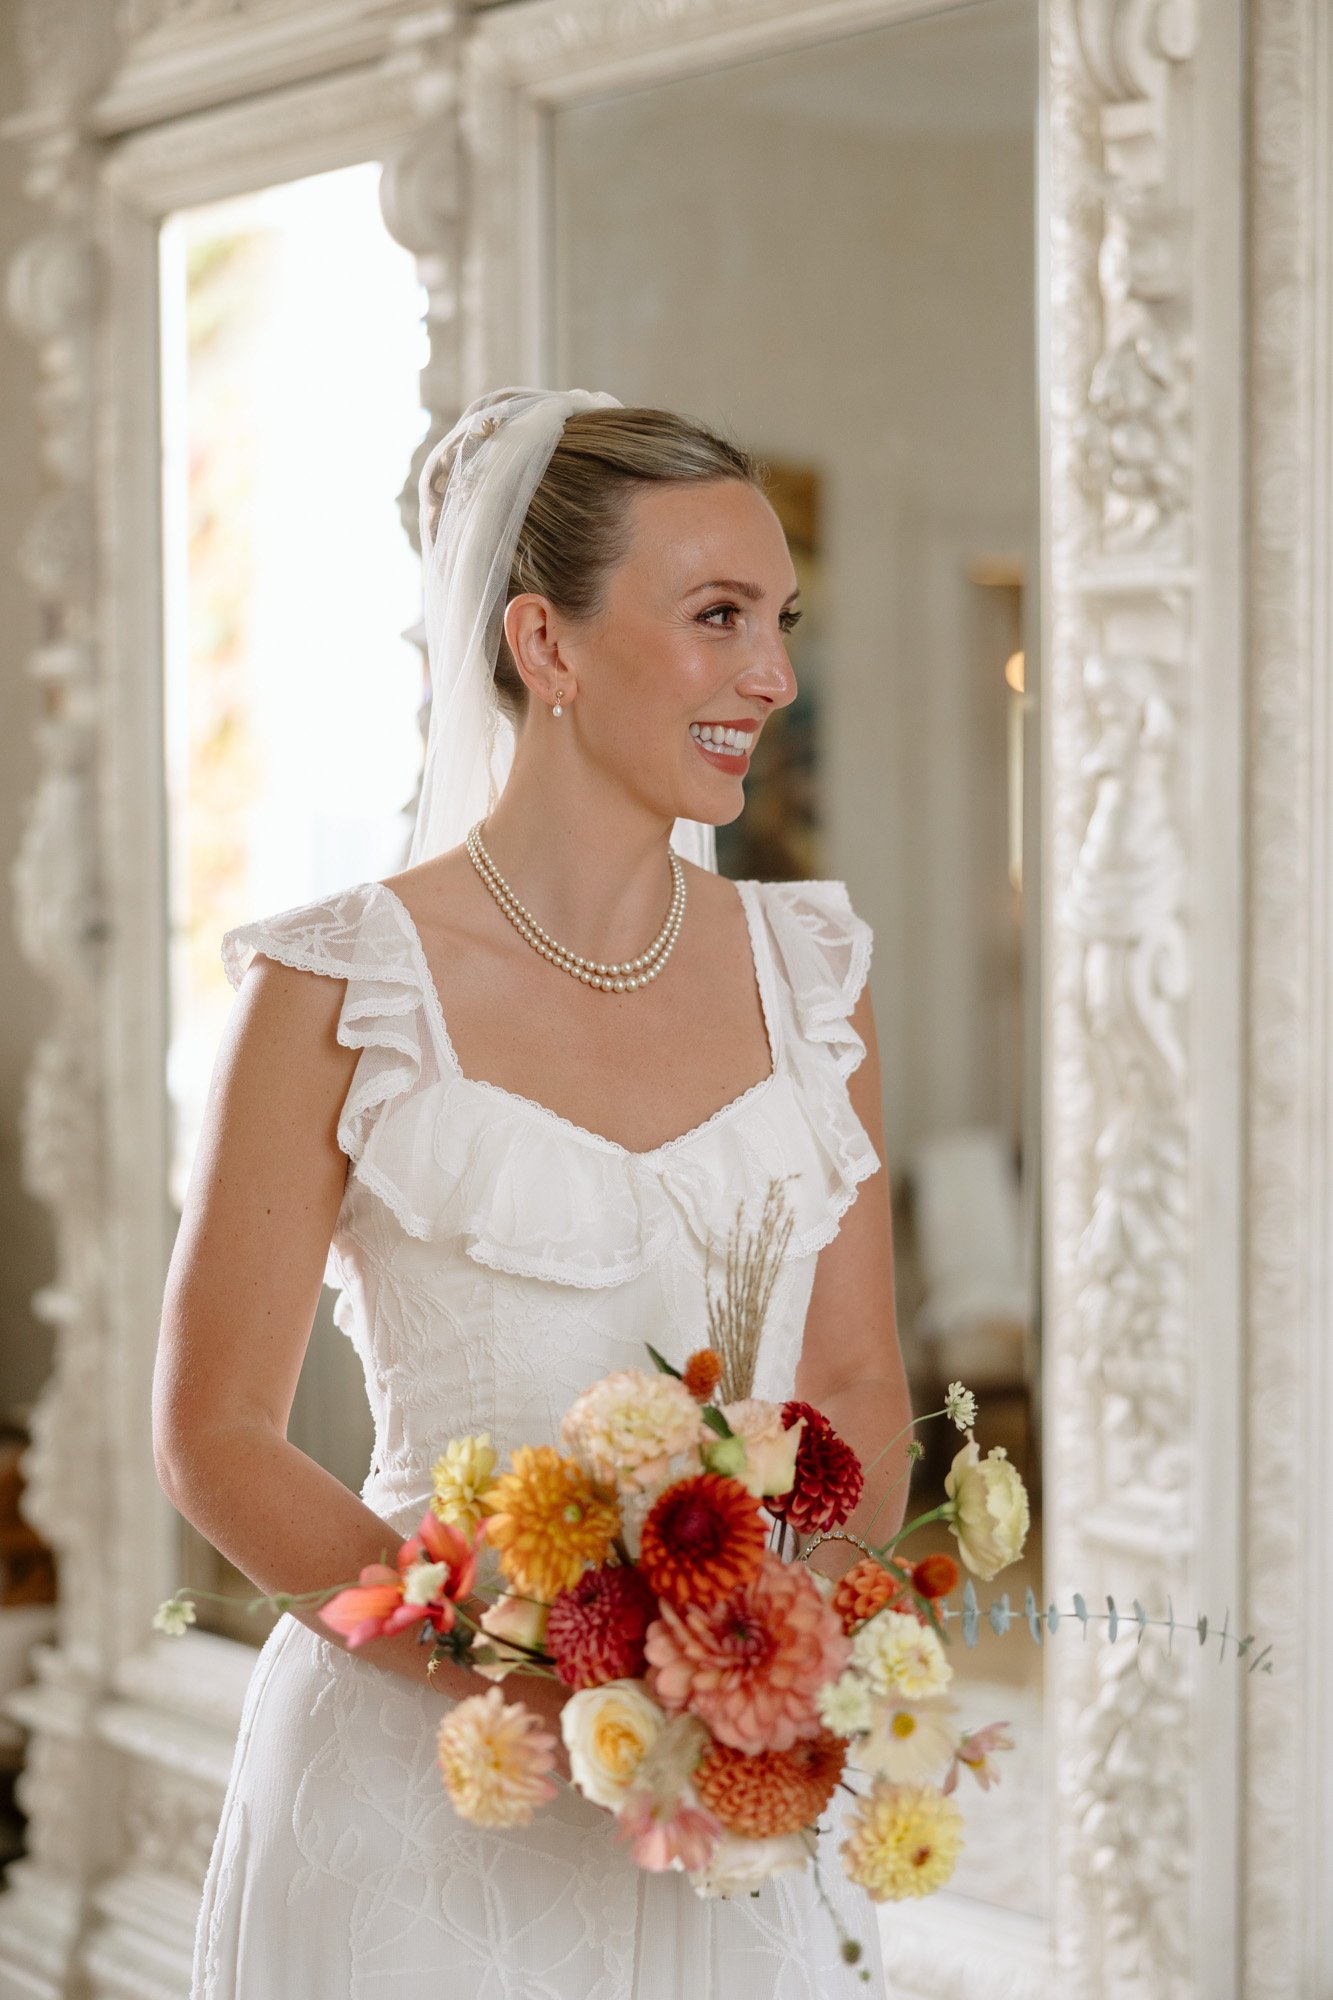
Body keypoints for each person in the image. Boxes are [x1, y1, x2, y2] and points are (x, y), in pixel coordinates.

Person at [154, 387, 913, 1997]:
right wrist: (510, 1672)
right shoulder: (332, 987)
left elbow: (854, 1384)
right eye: (718, 618)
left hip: (721, 1827)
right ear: (544, 646)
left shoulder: (813, 984)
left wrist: (763, 1666)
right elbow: (214, 1433)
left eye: (778, 620)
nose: (772, 676)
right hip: (420, 1811)